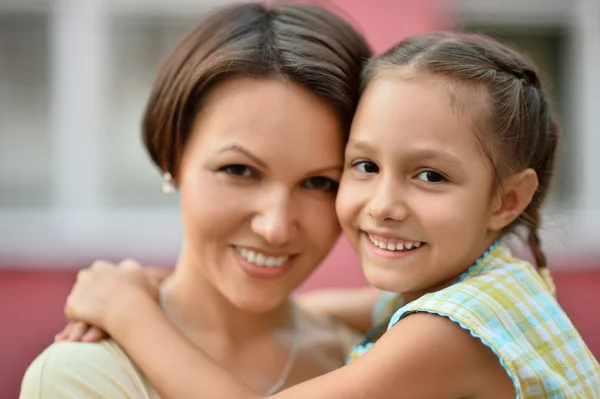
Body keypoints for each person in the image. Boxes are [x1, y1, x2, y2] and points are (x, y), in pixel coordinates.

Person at [56, 31, 600, 399]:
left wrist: (130, 311)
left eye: (430, 176)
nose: (383, 205)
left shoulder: (454, 330)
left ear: (506, 200)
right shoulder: (491, 281)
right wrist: (175, 296)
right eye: (363, 165)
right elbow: (341, 309)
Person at [19, 3, 373, 398]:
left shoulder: (374, 358)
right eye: (239, 170)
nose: (275, 227)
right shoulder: (86, 376)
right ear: (172, 155)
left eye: (321, 182)